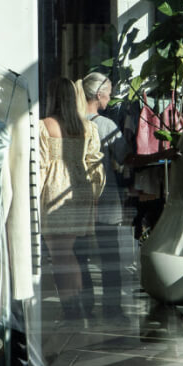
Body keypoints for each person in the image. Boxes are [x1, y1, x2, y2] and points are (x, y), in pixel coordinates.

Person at [79, 72, 176, 321]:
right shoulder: (105, 125)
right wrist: (160, 156)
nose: (110, 98)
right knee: (110, 258)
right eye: (109, 93)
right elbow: (126, 158)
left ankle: (84, 306)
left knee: (80, 257)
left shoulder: (73, 124)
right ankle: (112, 309)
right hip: (104, 199)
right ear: (99, 94)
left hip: (78, 200)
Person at [39, 77, 105, 319]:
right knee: (70, 253)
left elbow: (41, 166)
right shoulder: (87, 127)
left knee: (60, 255)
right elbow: (95, 163)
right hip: (80, 190)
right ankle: (79, 305)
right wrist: (94, 194)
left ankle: (72, 308)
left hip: (56, 190)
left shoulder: (44, 126)